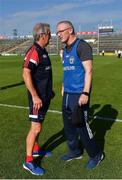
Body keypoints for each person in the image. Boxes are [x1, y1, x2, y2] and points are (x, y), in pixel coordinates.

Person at [56, 20, 104, 169]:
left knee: (81, 126)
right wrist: (63, 86)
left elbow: (89, 71)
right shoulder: (64, 50)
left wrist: (85, 92)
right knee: (68, 127)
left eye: (60, 31)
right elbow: (66, 70)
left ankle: (96, 155)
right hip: (67, 94)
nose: (58, 35)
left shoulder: (82, 46)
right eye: (57, 33)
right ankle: (75, 151)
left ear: (70, 30)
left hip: (79, 94)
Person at [22, 23, 55, 175]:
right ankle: (28, 162)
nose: (50, 35)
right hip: (37, 99)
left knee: (39, 125)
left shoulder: (42, 51)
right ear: (42, 35)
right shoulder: (34, 51)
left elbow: (43, 75)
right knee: (35, 128)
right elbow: (26, 73)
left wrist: (49, 91)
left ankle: (35, 150)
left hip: (44, 97)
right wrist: (35, 96)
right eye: (49, 33)